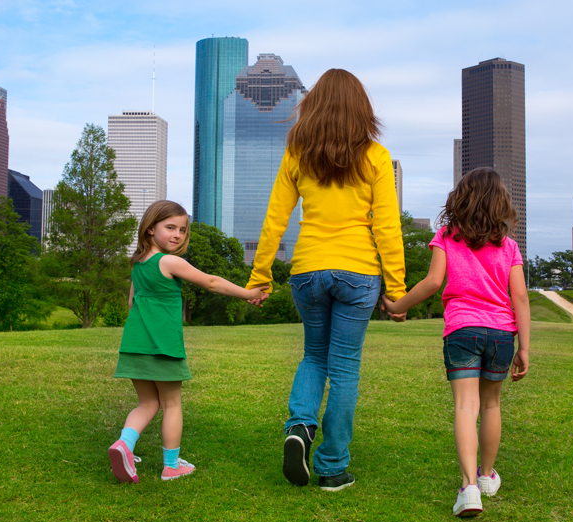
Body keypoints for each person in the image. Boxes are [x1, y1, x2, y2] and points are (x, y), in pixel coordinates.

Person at [245, 69, 407, 492]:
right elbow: (387, 228)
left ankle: (299, 427)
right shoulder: (375, 155)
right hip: (358, 273)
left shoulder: (297, 152)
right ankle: (332, 466)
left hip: (308, 271)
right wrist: (398, 290)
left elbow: (275, 218)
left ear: (312, 105)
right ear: (362, 108)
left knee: (314, 357)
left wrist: (260, 274)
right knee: (345, 367)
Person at [382, 167, 530, 517]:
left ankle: (469, 489)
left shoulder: (447, 236)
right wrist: (524, 347)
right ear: (501, 204)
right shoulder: (508, 246)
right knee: (491, 405)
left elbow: (433, 282)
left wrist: (397, 306)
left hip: (462, 330)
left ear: (461, 199)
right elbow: (520, 297)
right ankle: (486, 475)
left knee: (467, 407)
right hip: (501, 334)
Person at [108, 200, 267, 484]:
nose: (178, 235)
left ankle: (124, 445)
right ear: (149, 230)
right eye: (170, 227)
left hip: (134, 344)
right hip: (163, 346)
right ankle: (171, 466)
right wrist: (247, 293)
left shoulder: (138, 264)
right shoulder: (168, 261)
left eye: (182, 230)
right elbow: (211, 282)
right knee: (171, 405)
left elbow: (132, 303)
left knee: (146, 404)